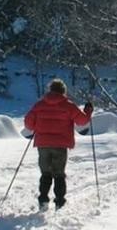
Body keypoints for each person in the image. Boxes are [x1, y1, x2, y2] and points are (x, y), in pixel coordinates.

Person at [24, 78, 93, 210]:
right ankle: (59, 202)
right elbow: (82, 121)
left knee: (46, 173)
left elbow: (28, 123)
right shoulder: (68, 105)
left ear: (50, 90)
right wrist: (88, 111)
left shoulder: (39, 105)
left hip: (42, 144)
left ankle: (43, 199)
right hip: (60, 145)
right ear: (63, 91)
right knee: (59, 173)